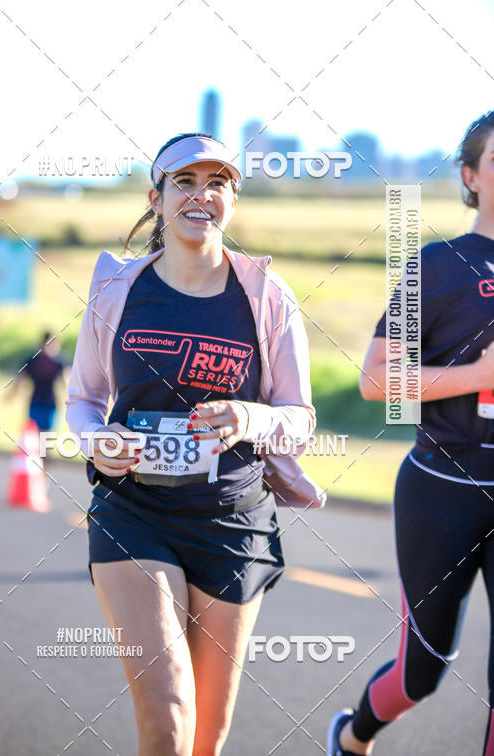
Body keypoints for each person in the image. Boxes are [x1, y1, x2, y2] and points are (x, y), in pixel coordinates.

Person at [66, 132, 325, 756]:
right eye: (185, 182)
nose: (201, 195)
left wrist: (248, 417)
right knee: (169, 714)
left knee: (207, 736)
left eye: (218, 183)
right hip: (135, 513)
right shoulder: (117, 290)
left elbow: (299, 418)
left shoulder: (266, 297)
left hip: (232, 521)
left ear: (233, 200)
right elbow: (82, 399)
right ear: (156, 197)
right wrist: (95, 440)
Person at [327, 110, 494, 756]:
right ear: (471, 176)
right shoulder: (441, 264)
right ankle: (354, 734)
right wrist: (479, 374)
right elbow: (376, 380)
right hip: (442, 487)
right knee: (424, 670)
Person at [9, 332, 69, 432]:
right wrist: (11, 395)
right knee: (35, 437)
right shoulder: (33, 361)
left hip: (50, 405)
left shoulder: (58, 362)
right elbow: (20, 379)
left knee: (45, 438)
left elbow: (66, 382)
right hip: (36, 404)